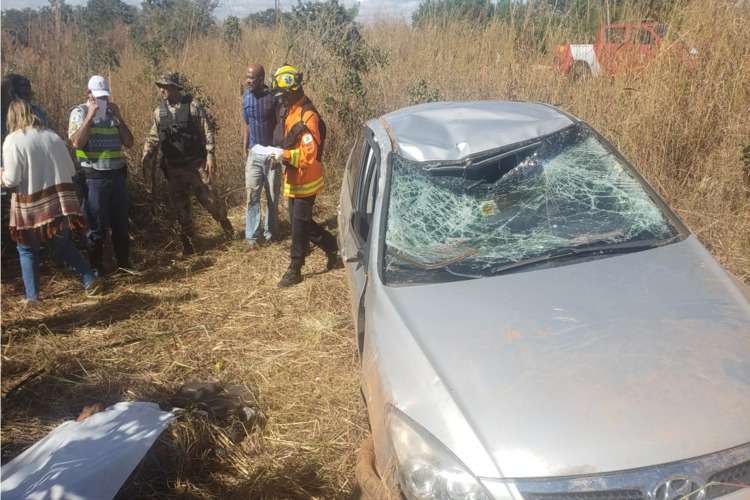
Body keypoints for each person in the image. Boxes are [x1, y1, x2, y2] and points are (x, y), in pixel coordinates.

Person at [1, 100, 98, 302]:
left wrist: (1, 175)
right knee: (62, 245)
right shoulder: (53, 137)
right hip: (59, 203)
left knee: (26, 249)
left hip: (31, 206)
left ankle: (32, 298)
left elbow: (11, 180)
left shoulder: (13, 140)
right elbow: (71, 170)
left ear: (11, 117)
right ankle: (89, 278)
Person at [142, 73, 234, 255]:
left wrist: (210, 155)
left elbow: (206, 130)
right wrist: (146, 158)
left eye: (165, 86)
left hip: (195, 166)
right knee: (180, 208)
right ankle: (188, 244)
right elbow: (153, 139)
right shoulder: (159, 113)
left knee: (210, 201)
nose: (162, 90)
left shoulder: (192, 107)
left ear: (175, 87)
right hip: (174, 169)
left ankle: (227, 228)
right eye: (160, 86)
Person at [269, 65, 342, 288]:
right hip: (293, 178)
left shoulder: (307, 116)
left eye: (282, 95)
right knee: (301, 223)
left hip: (306, 179)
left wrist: (285, 155)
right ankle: (332, 246)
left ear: (292, 91)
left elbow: (309, 156)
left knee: (298, 225)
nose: (279, 100)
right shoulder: (290, 111)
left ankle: (295, 268)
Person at [68, 75, 134, 276]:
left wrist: (120, 118)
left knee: (120, 224)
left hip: (116, 176)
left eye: (104, 96)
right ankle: (96, 269)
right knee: (95, 227)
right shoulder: (79, 112)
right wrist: (90, 116)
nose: (101, 100)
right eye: (97, 96)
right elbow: (76, 143)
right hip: (93, 178)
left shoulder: (114, 113)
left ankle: (124, 265)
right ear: (88, 94)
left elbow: (129, 142)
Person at [242, 64, 279, 249]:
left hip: (271, 154)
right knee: (252, 195)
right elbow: (247, 123)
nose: (249, 81)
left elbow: (280, 127)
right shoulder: (246, 96)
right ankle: (252, 236)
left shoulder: (273, 98)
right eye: (247, 77)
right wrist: (245, 147)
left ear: (261, 79)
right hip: (254, 153)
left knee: (272, 196)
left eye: (252, 78)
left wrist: (277, 153)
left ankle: (270, 233)